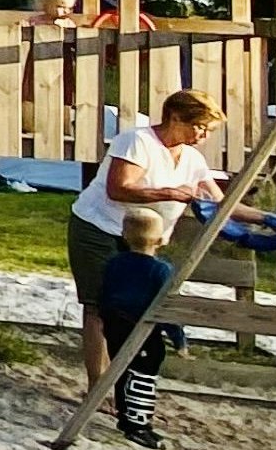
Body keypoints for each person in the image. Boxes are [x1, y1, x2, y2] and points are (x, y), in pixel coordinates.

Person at [69, 89, 223, 392]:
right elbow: (119, 189)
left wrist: (272, 222)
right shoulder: (137, 141)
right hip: (100, 228)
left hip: (143, 242)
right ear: (175, 117)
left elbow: (220, 202)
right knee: (99, 307)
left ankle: (123, 384)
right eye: (199, 126)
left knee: (135, 310)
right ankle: (97, 387)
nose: (203, 135)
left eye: (208, 129)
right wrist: (171, 192)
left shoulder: (192, 159)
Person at [95, 206, 180, 450]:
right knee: (144, 373)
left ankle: (126, 417)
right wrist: (178, 337)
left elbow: (104, 293)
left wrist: (103, 315)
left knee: (121, 368)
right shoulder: (160, 269)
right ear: (161, 239)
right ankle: (138, 425)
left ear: (123, 235)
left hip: (114, 323)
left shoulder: (114, 263)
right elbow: (166, 305)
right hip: (140, 325)